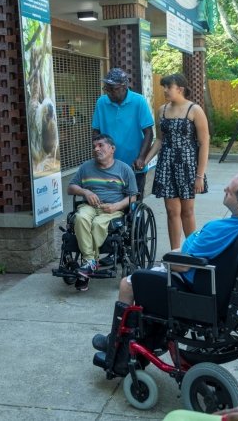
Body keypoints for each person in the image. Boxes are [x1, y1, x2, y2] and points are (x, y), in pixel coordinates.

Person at [92, 172, 238, 355]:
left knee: (129, 283)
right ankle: (148, 337)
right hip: (204, 275)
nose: (225, 189)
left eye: (230, 191)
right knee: (154, 271)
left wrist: (168, 260)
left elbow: (183, 265)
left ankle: (117, 345)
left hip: (190, 281)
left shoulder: (219, 230)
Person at [144, 72, 209, 250]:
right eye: (163, 87)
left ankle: (191, 251)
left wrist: (200, 175)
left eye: (168, 87)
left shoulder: (194, 110)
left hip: (188, 164)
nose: (165, 90)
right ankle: (175, 253)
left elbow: (204, 143)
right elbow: (159, 140)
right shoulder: (162, 110)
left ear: (179, 89)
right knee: (172, 211)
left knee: (187, 211)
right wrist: (145, 160)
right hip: (167, 164)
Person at [68, 134, 138, 292]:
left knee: (98, 224)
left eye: (100, 145)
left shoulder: (124, 169)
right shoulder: (86, 167)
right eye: (94, 146)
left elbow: (134, 196)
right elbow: (70, 187)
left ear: (112, 149)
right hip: (90, 206)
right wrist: (85, 191)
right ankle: (90, 262)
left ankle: (86, 268)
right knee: (80, 218)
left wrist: (117, 206)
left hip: (112, 209)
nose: (96, 149)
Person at [92, 67, 154, 199]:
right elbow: (96, 131)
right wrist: (99, 153)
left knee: (134, 203)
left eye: (113, 89)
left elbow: (148, 132)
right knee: (110, 201)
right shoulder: (101, 102)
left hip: (133, 165)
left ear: (124, 86)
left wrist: (142, 157)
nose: (109, 93)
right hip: (109, 165)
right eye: (107, 89)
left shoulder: (138, 101)